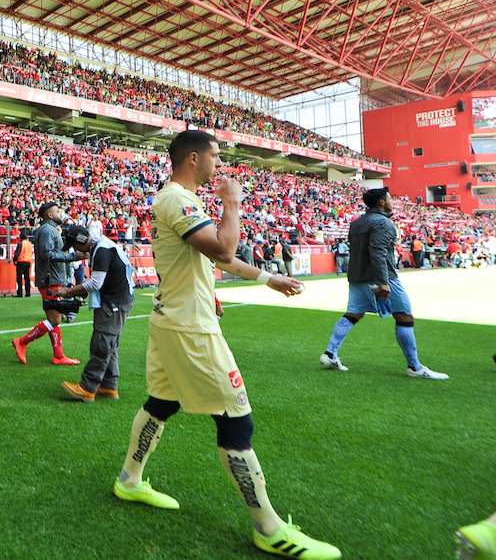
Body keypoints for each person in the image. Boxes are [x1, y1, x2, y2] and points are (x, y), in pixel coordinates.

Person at [111, 131, 340, 560]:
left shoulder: (179, 200)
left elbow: (217, 257)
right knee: (236, 419)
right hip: (191, 329)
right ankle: (268, 528)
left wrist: (268, 278)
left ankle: (129, 480)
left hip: (172, 319)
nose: (220, 164)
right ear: (193, 158)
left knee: (162, 402)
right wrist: (232, 203)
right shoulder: (178, 199)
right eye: (215, 156)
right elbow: (223, 249)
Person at [320, 188, 448, 380]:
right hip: (381, 276)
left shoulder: (357, 223)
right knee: (404, 317)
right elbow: (378, 252)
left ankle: (330, 353)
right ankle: (415, 367)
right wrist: (383, 282)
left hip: (357, 276)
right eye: (389, 199)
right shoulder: (383, 223)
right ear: (381, 202)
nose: (392, 202)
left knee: (353, 314)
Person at [59, 223, 135, 402]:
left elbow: (95, 283)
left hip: (114, 302)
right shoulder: (102, 246)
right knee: (110, 344)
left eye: (74, 245)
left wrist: (68, 291)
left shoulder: (101, 251)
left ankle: (87, 388)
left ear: (80, 240)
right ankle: (109, 386)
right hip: (119, 300)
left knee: (102, 343)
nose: (75, 250)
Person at [11, 202, 83, 366]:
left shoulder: (51, 229)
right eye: (57, 211)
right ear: (50, 215)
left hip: (53, 278)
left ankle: (58, 355)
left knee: (54, 318)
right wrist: (72, 257)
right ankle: (22, 342)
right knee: (55, 319)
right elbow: (47, 254)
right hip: (50, 279)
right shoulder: (47, 230)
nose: (60, 214)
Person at [15, 231, 33, 297]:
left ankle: (20, 293)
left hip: (21, 261)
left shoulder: (21, 243)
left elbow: (17, 253)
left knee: (19, 278)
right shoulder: (30, 243)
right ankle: (28, 293)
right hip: (28, 261)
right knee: (27, 278)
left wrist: (15, 260)